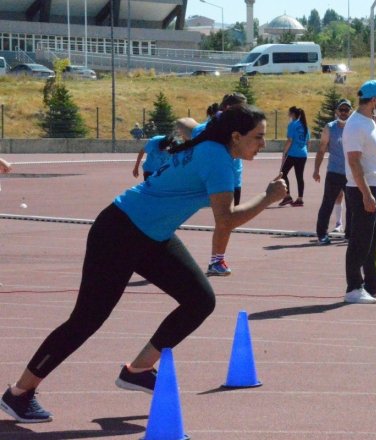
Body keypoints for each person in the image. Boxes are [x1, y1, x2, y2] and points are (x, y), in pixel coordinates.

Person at [0, 105, 286, 424]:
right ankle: (19, 393)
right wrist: (269, 197)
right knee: (86, 319)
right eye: (258, 137)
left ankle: (137, 370)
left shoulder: (212, 140)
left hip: (151, 234)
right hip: (120, 230)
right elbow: (226, 220)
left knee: (199, 300)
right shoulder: (218, 157)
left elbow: (187, 124)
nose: (264, 143)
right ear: (236, 136)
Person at [341, 79, 376, 304]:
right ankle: (354, 288)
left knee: (373, 242)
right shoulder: (355, 125)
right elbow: (353, 162)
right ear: (374, 100)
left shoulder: (370, 122)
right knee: (360, 241)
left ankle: (372, 285)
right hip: (362, 188)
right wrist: (366, 193)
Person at [194, 93, 248, 276]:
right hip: (213, 179)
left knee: (226, 223)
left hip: (233, 179)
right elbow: (194, 134)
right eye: (241, 108)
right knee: (223, 221)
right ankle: (216, 260)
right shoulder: (210, 127)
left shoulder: (241, 127)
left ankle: (217, 259)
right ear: (228, 109)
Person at [313, 99, 354, 245]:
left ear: (350, 111)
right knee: (328, 203)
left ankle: (350, 234)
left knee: (352, 205)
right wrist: (316, 169)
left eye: (346, 110)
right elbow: (322, 149)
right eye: (341, 110)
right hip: (334, 172)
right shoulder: (330, 127)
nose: (343, 113)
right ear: (337, 111)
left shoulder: (354, 127)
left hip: (351, 173)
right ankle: (322, 234)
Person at [132, 118, 197, 181]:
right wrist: (136, 167)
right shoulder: (153, 141)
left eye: (164, 150)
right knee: (150, 189)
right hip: (149, 171)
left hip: (163, 172)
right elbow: (142, 151)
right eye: (161, 148)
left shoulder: (175, 146)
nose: (162, 151)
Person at [278, 106, 310, 207]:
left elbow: (290, 140)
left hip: (293, 153)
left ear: (292, 114)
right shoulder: (305, 126)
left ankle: (287, 196)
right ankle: (300, 199)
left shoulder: (292, 124)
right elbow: (308, 142)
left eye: (289, 113)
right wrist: (305, 152)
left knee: (283, 173)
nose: (288, 115)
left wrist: (284, 152)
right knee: (299, 176)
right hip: (303, 154)